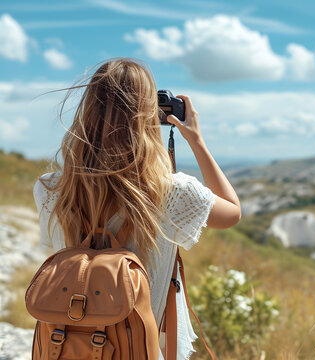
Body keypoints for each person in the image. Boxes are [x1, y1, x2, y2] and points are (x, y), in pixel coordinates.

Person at [33, 57, 241, 359]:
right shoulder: (170, 192)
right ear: (147, 116)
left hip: (68, 342)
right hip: (138, 348)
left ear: (88, 111)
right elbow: (232, 212)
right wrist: (196, 140)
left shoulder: (50, 189)